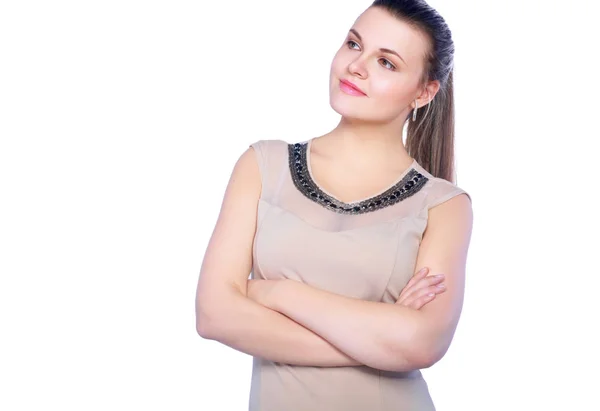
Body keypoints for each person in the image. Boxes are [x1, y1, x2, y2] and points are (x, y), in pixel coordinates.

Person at [195, 0, 473, 409]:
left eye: (387, 63)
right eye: (354, 44)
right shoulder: (262, 165)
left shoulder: (444, 205)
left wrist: (275, 294)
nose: (356, 66)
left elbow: (422, 342)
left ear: (424, 91)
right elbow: (213, 315)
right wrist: (379, 343)